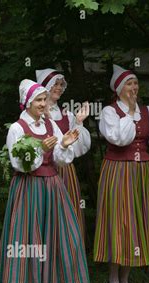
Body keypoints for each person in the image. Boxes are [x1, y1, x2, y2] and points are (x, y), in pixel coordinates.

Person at [0, 79, 90, 283]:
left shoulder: (49, 124)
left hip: (53, 184)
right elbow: (18, 163)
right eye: (38, 99)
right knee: (30, 233)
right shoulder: (17, 129)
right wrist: (39, 148)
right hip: (29, 186)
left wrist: (63, 145)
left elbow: (59, 157)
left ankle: (68, 282)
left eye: (44, 99)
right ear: (27, 102)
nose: (42, 103)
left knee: (64, 230)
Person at [94, 65, 149, 283]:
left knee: (138, 221)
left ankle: (126, 279)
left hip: (142, 172)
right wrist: (129, 113)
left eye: (136, 83)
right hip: (118, 170)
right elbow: (119, 139)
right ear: (119, 89)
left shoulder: (148, 111)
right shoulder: (110, 112)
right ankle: (113, 279)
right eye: (129, 84)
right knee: (119, 221)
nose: (134, 87)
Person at [36, 68, 91, 239]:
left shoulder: (67, 114)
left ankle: (68, 259)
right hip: (45, 170)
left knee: (69, 214)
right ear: (45, 87)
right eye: (55, 84)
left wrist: (79, 123)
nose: (59, 87)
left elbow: (80, 148)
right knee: (49, 215)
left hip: (66, 170)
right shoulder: (36, 114)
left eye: (61, 85)